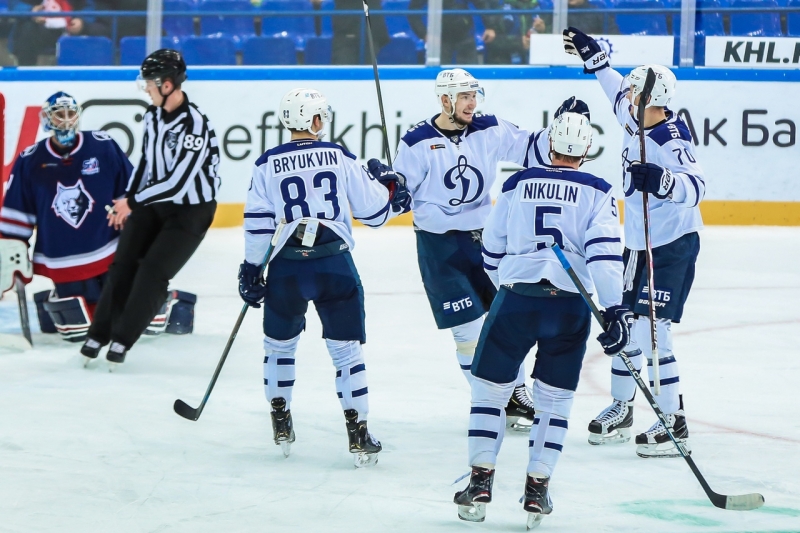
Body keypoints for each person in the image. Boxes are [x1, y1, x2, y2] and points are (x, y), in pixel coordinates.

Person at [453, 112, 632, 527]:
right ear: (586, 150)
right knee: (554, 401)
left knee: (489, 394)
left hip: (516, 300)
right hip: (569, 308)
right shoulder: (599, 190)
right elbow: (605, 254)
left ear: (549, 145)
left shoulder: (517, 183)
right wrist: (614, 308)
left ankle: (480, 481)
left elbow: (492, 246)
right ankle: (538, 488)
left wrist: (509, 286)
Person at [392, 69, 590, 429]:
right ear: (445, 100)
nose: (472, 103)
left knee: (500, 323)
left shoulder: (490, 128)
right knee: (467, 333)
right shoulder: (416, 141)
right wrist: (392, 189)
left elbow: (533, 147)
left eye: (474, 95)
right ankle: (491, 402)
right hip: (439, 247)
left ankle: (513, 395)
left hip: (484, 238)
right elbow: (395, 197)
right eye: (464, 96)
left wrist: (560, 128)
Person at [238, 87, 410, 467]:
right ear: (314, 120)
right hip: (334, 265)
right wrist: (392, 189)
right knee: (347, 352)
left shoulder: (266, 163)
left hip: (287, 268)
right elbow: (374, 212)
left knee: (278, 348)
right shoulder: (338, 155)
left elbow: (257, 224)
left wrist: (251, 268)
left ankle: (280, 419)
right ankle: (358, 432)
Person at [564, 27, 705, 457]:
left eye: (633, 93)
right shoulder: (635, 114)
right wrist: (597, 63)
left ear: (651, 101)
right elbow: (612, 91)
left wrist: (664, 182)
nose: (625, 96)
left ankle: (673, 420)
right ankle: (622, 407)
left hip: (671, 246)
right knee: (623, 323)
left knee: (652, 330)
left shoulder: (670, 139)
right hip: (636, 245)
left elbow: (697, 186)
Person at [80, 49, 220, 367]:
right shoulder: (152, 115)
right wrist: (128, 198)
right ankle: (98, 334)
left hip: (190, 211)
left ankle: (122, 340)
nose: (145, 88)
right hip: (150, 202)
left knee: (152, 273)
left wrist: (131, 201)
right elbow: (145, 163)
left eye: (149, 83)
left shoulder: (195, 125)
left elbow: (177, 183)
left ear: (167, 84)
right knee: (122, 265)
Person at [0, 91, 132, 341]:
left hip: (108, 248)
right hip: (61, 257)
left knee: (118, 318)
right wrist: (13, 253)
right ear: (47, 120)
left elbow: (131, 189)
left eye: (71, 113)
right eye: (59, 115)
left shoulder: (103, 145)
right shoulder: (30, 160)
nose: (66, 120)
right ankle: (50, 304)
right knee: (80, 332)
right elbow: (17, 213)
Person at [408, 0, 500, 64]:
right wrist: (424, 34)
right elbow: (413, 12)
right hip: (440, 38)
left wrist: (490, 26)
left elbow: (481, 3)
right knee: (439, 77)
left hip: (465, 34)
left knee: (469, 75)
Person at [11, 0, 87, 66]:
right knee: (28, 28)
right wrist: (31, 11)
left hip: (70, 27)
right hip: (39, 28)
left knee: (93, 29)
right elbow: (15, 5)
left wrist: (81, 19)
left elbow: (89, 5)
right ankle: (26, 76)